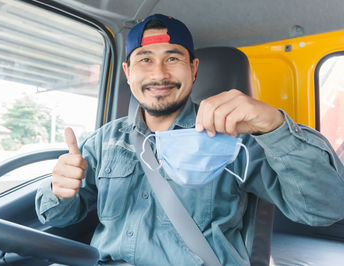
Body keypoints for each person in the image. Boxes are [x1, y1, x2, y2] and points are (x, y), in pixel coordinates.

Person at [35, 14, 344, 265]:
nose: (159, 74)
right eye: (144, 60)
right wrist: (59, 192)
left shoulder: (234, 139)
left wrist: (274, 126)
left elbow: (325, 209)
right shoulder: (103, 141)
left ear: (193, 69)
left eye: (173, 58)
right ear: (128, 72)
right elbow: (59, 218)